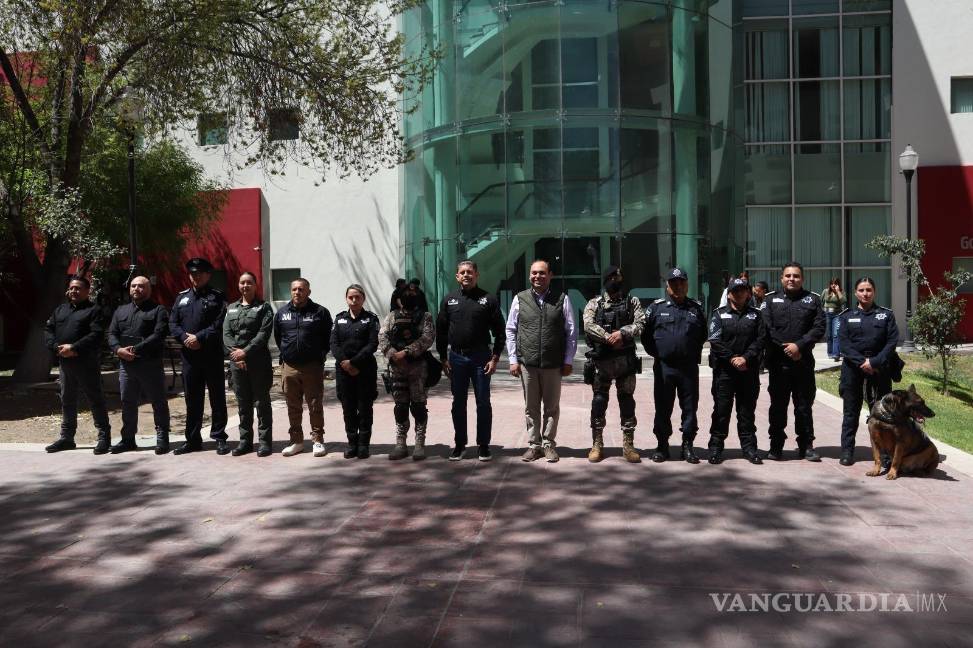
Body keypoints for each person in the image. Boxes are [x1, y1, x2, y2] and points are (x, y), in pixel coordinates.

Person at [505, 259, 578, 463]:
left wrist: (568, 360)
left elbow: (571, 332)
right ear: (530, 275)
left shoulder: (562, 299)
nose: (538, 276)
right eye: (534, 273)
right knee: (531, 407)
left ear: (550, 275)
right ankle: (534, 445)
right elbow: (511, 329)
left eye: (542, 273)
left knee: (551, 407)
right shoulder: (520, 299)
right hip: (528, 363)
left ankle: (548, 444)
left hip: (553, 364)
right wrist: (513, 359)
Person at [437, 260, 505, 461]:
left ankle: (483, 445)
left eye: (470, 272)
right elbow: (441, 331)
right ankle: (460, 444)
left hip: (481, 358)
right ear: (457, 276)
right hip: (456, 358)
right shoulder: (449, 300)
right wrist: (443, 358)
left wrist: (495, 358)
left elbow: (500, 332)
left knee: (483, 402)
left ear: (477, 275)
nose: (466, 275)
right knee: (458, 403)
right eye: (462, 272)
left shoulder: (488, 299)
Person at [761, 262, 826, 461]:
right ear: (781, 278)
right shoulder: (770, 300)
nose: (792, 279)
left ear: (802, 279)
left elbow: (819, 327)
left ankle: (806, 446)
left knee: (804, 406)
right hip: (778, 364)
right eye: (788, 275)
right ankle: (776, 446)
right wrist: (787, 349)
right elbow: (766, 328)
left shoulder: (813, 299)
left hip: (803, 362)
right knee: (778, 407)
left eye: (796, 276)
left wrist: (799, 346)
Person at [641, 268, 707, 463]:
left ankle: (688, 445)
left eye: (681, 282)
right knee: (663, 407)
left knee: (689, 408)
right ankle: (662, 446)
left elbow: (702, 335)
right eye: (674, 283)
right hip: (664, 367)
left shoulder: (696, 308)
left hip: (688, 368)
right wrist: (660, 353)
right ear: (667, 286)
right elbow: (645, 336)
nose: (678, 286)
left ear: (687, 284)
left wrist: (689, 352)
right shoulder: (656, 308)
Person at [582, 265, 645, 463]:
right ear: (605, 280)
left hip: (625, 362)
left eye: (617, 277)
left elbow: (641, 323)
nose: (615, 281)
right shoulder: (595, 303)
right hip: (602, 364)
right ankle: (597, 444)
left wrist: (623, 333)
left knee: (627, 403)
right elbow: (588, 325)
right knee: (599, 403)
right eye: (611, 277)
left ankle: (628, 445)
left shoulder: (632, 302)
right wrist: (609, 337)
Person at [44, 276, 112, 454]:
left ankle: (104, 437)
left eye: (78, 288)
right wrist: (56, 347)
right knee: (67, 399)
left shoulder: (94, 310)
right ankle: (67, 438)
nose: (74, 291)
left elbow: (96, 334)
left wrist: (74, 348)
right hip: (65, 362)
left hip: (86, 362)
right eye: (72, 288)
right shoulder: (61, 310)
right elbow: (49, 330)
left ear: (87, 291)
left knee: (95, 399)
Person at [836, 277, 899, 466]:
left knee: (883, 412)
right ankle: (847, 451)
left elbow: (891, 342)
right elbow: (844, 344)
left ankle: (885, 455)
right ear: (856, 293)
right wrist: (862, 362)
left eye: (869, 290)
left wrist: (874, 362)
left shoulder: (885, 315)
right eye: (862, 290)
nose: (865, 293)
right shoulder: (846, 316)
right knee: (850, 412)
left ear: (874, 292)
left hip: (880, 368)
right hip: (852, 368)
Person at [169, 257, 229, 455]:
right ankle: (193, 440)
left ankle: (219, 437)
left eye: (200, 273)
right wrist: (185, 338)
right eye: (193, 273)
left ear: (208, 275)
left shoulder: (217, 297)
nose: (196, 277)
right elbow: (173, 323)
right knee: (192, 399)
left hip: (211, 355)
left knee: (217, 397)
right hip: (190, 357)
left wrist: (199, 337)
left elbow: (219, 323)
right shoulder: (181, 298)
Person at [107, 275, 171, 454]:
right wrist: (118, 350)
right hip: (126, 366)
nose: (136, 289)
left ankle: (162, 438)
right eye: (133, 286)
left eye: (141, 286)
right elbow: (112, 333)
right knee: (127, 402)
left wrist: (135, 350)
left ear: (149, 289)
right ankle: (128, 439)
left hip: (150, 364)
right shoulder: (121, 310)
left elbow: (159, 335)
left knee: (158, 401)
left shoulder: (158, 310)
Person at [705, 277, 765, 465]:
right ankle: (715, 448)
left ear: (748, 293)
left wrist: (745, 358)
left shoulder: (756, 315)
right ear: (729, 294)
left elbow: (760, 340)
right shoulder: (719, 314)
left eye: (743, 290)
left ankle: (749, 448)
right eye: (735, 291)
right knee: (721, 411)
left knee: (746, 412)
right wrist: (732, 358)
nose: (739, 293)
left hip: (748, 370)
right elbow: (715, 341)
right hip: (725, 372)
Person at [273, 278, 333, 457]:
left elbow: (328, 338)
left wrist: (319, 356)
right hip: (289, 366)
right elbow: (279, 337)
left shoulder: (320, 312)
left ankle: (318, 440)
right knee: (293, 405)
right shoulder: (282, 313)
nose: (297, 292)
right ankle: (296, 441)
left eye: (301, 289)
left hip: (312, 366)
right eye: (294, 289)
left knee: (314, 404)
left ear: (308, 292)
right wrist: (287, 354)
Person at [379, 282, 436, 460]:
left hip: (418, 368)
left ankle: (419, 443)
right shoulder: (392, 316)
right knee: (400, 407)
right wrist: (393, 354)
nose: (410, 297)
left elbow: (427, 338)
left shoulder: (425, 316)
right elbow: (382, 336)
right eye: (406, 294)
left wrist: (406, 352)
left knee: (418, 406)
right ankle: (401, 443)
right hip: (397, 368)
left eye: (414, 294)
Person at [223, 271, 274, 457]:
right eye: (242, 282)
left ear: (255, 285)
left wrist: (245, 352)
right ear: (239, 285)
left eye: (249, 282)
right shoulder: (231, 308)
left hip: (258, 362)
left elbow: (263, 334)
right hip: (237, 364)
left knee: (262, 403)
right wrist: (237, 355)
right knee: (243, 404)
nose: (245, 286)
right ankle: (245, 442)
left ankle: (265, 442)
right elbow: (226, 334)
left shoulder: (264, 308)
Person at [331, 284, 380, 459]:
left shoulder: (371, 319)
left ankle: (363, 444)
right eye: (350, 297)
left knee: (364, 408)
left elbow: (373, 344)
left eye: (357, 297)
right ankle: (352, 443)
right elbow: (334, 344)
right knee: (348, 408)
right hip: (343, 371)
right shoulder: (339, 319)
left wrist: (354, 362)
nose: (354, 300)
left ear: (363, 299)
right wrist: (345, 363)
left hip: (365, 370)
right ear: (346, 299)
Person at [822, 277, 846, 360]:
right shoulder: (825, 291)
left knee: (835, 334)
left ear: (838, 285)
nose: (833, 285)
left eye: (835, 284)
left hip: (837, 314)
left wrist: (838, 291)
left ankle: (836, 354)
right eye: (832, 284)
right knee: (829, 335)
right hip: (827, 314)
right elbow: (821, 301)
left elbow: (844, 301)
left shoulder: (841, 292)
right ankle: (830, 352)